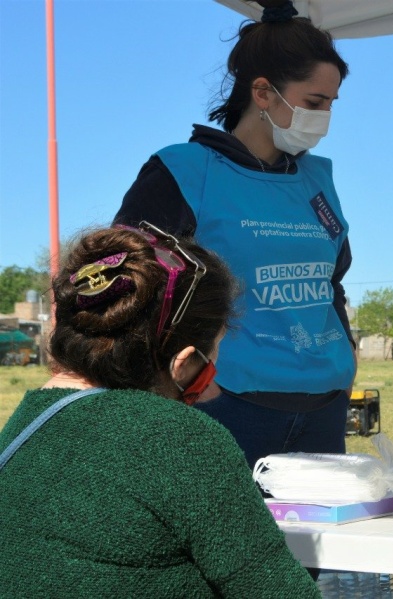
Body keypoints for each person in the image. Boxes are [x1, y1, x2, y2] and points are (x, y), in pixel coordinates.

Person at [0, 225, 319, 597]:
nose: (212, 390)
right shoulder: (180, 439)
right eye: (209, 365)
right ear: (181, 363)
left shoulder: (24, 426)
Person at [114, 0, 356, 468]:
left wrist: (346, 366)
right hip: (227, 406)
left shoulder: (318, 181)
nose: (324, 116)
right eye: (314, 102)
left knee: (314, 543)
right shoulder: (184, 172)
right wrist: (182, 381)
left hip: (324, 407)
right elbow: (129, 288)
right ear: (263, 92)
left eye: (331, 104)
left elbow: (333, 283)